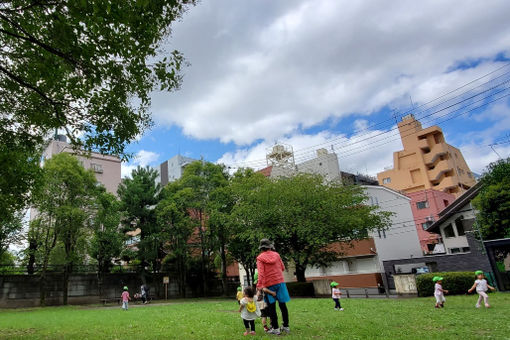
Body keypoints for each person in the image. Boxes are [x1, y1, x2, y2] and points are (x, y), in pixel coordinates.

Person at [256, 238, 290, 335]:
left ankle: (275, 328)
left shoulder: (260, 258)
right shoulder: (277, 255)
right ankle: (286, 326)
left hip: (269, 285)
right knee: (283, 305)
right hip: (280, 283)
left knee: (271, 307)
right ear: (269, 247)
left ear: (261, 248)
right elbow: (282, 268)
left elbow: (261, 274)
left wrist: (259, 286)